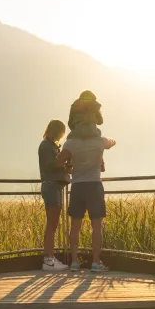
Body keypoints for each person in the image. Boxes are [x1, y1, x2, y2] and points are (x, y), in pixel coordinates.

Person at [59, 92, 116, 270]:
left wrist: (69, 167)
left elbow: (59, 161)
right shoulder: (100, 142)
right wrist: (109, 142)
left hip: (77, 186)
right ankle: (96, 262)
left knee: (75, 226)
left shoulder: (70, 144)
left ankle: (74, 262)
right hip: (94, 185)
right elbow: (112, 142)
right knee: (96, 226)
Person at [38, 119, 71, 270]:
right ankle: (48, 259)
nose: (61, 136)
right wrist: (63, 162)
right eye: (60, 132)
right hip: (51, 185)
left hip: (55, 186)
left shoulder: (51, 146)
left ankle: (50, 257)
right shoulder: (46, 146)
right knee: (52, 224)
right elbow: (50, 165)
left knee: (54, 223)